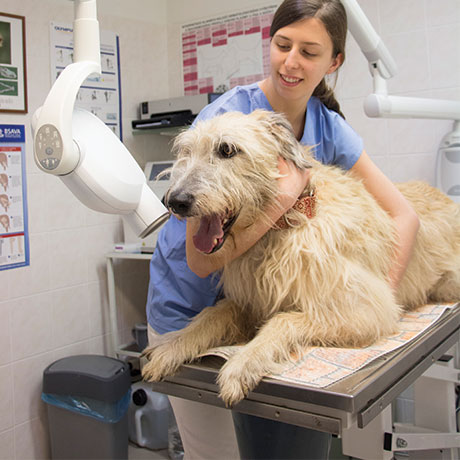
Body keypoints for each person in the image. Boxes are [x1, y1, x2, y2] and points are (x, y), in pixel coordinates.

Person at [146, 0, 420, 458]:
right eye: (282, 45)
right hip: (186, 310)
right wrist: (287, 196)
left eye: (309, 52)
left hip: (250, 307)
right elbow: (198, 259)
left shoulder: (326, 125)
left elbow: (403, 213)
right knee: (215, 452)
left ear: (334, 62)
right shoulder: (225, 118)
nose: (291, 62)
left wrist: (378, 294)